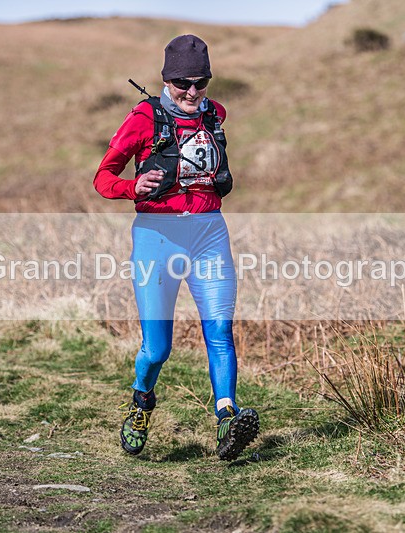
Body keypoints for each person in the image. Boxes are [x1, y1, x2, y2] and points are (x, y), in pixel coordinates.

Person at [94, 34, 259, 461]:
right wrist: (132, 185)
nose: (191, 92)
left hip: (208, 234)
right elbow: (103, 177)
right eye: (182, 83)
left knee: (219, 332)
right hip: (156, 238)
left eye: (200, 83)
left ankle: (227, 418)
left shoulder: (215, 115)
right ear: (166, 80)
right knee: (157, 349)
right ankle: (141, 403)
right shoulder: (142, 120)